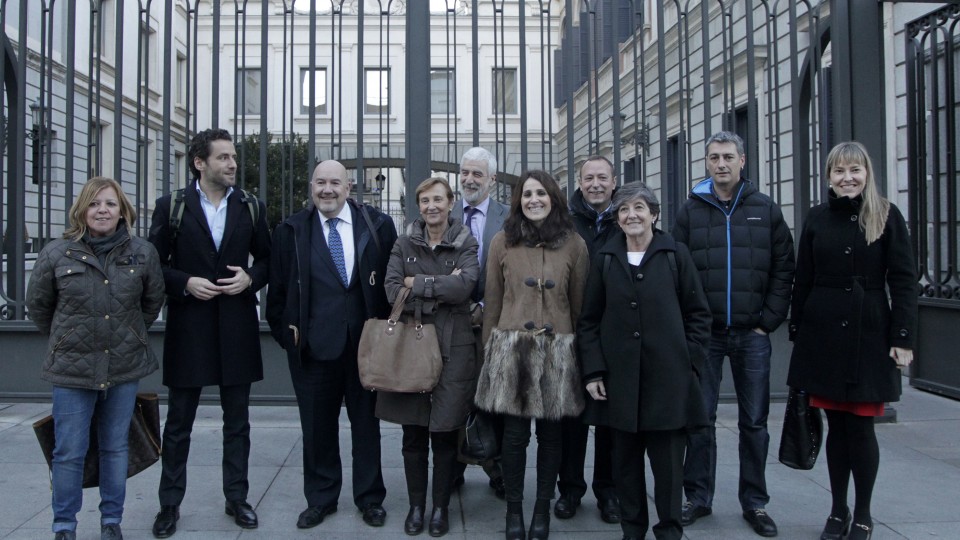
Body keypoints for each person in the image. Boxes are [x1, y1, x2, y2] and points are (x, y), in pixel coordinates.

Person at [786, 142, 917, 540]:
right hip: (822, 335)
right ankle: (837, 509)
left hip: (869, 333)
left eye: (854, 170)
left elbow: (904, 281)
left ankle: (863, 514)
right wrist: (798, 327)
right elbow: (803, 277)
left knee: (861, 428)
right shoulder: (816, 218)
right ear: (829, 176)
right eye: (839, 171)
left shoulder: (887, 216)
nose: (847, 178)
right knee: (835, 428)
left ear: (866, 173)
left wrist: (903, 336)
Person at [148, 129, 271, 538]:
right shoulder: (172, 207)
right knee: (178, 422)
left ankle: (237, 498)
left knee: (238, 422)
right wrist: (184, 282)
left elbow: (271, 260)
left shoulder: (251, 206)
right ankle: (169, 505)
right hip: (190, 328)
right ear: (200, 163)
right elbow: (154, 264)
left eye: (233, 157)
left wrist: (250, 278)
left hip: (237, 326)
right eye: (223, 158)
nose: (232, 164)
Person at [27, 177, 165, 540]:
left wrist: (128, 333)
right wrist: (68, 337)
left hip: (123, 365)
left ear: (123, 211)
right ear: (82, 210)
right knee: (68, 450)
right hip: (72, 368)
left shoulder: (142, 252)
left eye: (110, 204)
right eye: (94, 204)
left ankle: (111, 522)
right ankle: (64, 526)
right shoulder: (57, 253)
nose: (102, 210)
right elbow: (39, 306)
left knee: (115, 446)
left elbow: (152, 302)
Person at [673, 131, 795, 538]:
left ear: (742, 160)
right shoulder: (691, 211)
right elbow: (678, 271)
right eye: (713, 157)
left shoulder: (765, 209)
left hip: (752, 334)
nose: (720, 164)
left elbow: (784, 267)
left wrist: (769, 320)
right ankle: (698, 497)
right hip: (706, 336)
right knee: (699, 420)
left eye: (728, 157)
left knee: (754, 423)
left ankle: (755, 502)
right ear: (706, 163)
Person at [266, 159, 397, 530]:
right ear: (311, 187)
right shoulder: (291, 231)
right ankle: (321, 498)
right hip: (312, 351)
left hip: (365, 348)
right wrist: (288, 339)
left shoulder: (377, 226)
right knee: (317, 429)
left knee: (367, 428)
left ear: (348, 188)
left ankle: (370, 498)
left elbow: (390, 280)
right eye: (320, 182)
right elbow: (276, 294)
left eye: (335, 183)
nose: (327, 190)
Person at [578, 182, 711, 540]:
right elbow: (589, 321)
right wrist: (593, 371)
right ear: (617, 219)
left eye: (639, 208)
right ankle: (632, 530)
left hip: (668, 383)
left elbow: (699, 315)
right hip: (620, 384)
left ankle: (669, 531)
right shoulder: (606, 258)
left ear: (654, 214)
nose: (631, 215)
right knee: (625, 468)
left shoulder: (675, 255)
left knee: (668, 469)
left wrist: (689, 363)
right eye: (623, 210)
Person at [474, 170, 590, 540]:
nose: (534, 200)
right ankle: (514, 512)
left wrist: (579, 357)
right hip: (513, 351)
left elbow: (579, 307)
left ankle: (542, 511)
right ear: (518, 201)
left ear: (553, 198)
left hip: (557, 352)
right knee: (514, 438)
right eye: (527, 195)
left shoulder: (574, 245)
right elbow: (492, 302)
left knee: (552, 438)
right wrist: (489, 352)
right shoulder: (501, 242)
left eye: (541, 193)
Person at [379, 177, 480, 537]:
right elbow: (392, 289)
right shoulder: (404, 242)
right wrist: (439, 283)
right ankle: (416, 507)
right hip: (411, 346)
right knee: (413, 434)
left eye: (438, 199)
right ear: (418, 205)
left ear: (450, 202)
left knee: (444, 434)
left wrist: (416, 283)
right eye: (425, 200)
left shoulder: (466, 241)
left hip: (454, 349)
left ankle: (440, 508)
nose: (431, 206)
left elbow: (465, 286)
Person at [559, 155, 620, 523]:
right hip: (569, 328)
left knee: (609, 418)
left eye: (602, 177)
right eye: (588, 178)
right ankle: (569, 489)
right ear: (579, 183)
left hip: (613, 331)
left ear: (614, 181)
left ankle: (608, 491)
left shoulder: (625, 216)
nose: (595, 184)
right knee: (572, 417)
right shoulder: (565, 222)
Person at [450, 147, 509, 498]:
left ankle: (497, 469)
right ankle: (453, 468)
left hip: (495, 323)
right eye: (465, 173)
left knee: (494, 400)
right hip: (453, 323)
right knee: (454, 397)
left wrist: (487, 305)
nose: (469, 180)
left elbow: (514, 270)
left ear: (493, 179)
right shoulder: (446, 212)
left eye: (477, 174)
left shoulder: (508, 216)